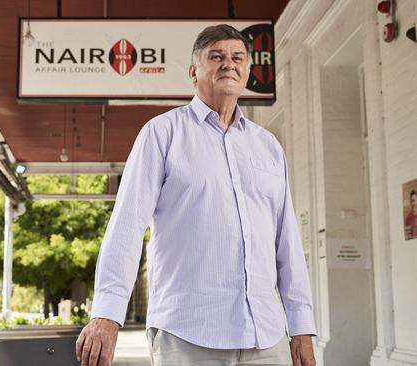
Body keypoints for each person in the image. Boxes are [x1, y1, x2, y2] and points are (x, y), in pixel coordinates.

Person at [76, 24, 317, 366]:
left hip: (266, 336)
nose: (228, 64)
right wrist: (107, 313)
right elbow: (127, 226)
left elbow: (287, 243)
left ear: (247, 71)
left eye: (237, 58)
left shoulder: (269, 148)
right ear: (193, 72)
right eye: (216, 56)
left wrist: (302, 327)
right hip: (187, 334)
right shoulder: (162, 134)